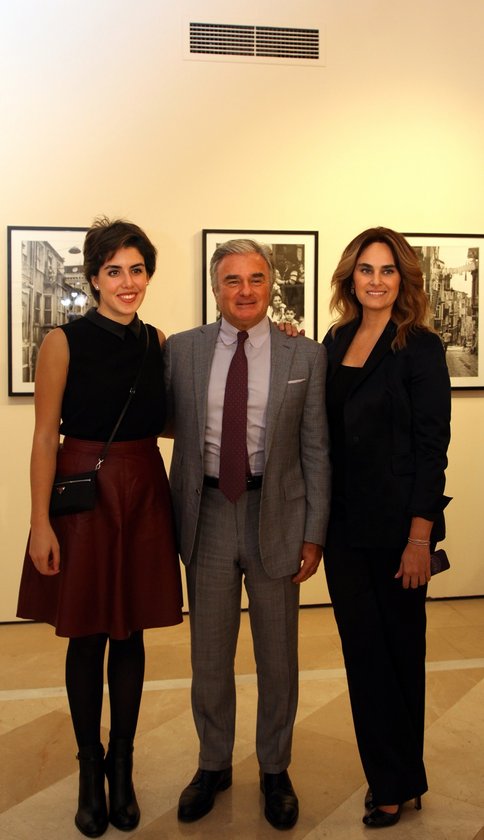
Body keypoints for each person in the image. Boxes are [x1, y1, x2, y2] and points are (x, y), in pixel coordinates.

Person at [17, 218, 183, 838]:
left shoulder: (158, 342)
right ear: (93, 278)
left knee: (131, 633)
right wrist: (39, 522)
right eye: (114, 271)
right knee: (87, 636)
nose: (127, 282)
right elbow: (44, 437)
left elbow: (166, 422)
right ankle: (90, 767)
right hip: (83, 495)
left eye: (137, 269)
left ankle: (122, 764)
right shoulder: (62, 342)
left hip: (144, 492)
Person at [164, 238, 331, 830]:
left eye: (256, 278)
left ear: (271, 285)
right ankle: (212, 764)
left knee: (277, 656)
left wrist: (314, 532)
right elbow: (157, 420)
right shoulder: (181, 350)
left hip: (276, 514)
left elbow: (316, 448)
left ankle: (275, 768)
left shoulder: (303, 355)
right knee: (209, 656)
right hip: (206, 513)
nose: (245, 290)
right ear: (215, 288)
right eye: (232, 280)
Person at [322, 227, 451, 829]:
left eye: (387, 270)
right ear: (351, 277)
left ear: (404, 279)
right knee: (362, 655)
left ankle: (398, 782)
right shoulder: (335, 340)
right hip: (343, 527)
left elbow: (432, 448)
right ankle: (388, 776)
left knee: (400, 652)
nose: (376, 281)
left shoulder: (420, 347)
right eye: (366, 270)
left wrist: (420, 537)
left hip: (401, 530)